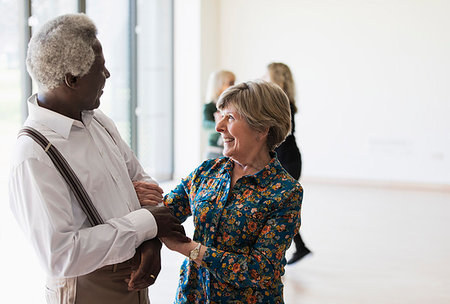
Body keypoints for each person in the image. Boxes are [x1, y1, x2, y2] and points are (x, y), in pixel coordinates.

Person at [9, 13, 188, 304]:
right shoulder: (33, 156)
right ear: (71, 79)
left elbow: (145, 185)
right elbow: (61, 255)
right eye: (100, 69)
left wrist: (151, 242)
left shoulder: (99, 121)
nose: (108, 76)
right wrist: (146, 222)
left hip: (134, 277)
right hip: (86, 289)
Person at [154, 81, 303, 303]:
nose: (219, 127)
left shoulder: (285, 192)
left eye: (230, 118)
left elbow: (259, 271)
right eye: (220, 116)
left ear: (262, 129)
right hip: (192, 296)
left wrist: (189, 249)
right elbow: (165, 213)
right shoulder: (206, 172)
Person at [264, 62, 311, 265]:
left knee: (279, 209)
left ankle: (283, 253)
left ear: (278, 79)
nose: (263, 78)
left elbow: (280, 135)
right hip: (285, 159)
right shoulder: (281, 101)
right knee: (278, 209)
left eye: (266, 75)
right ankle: (298, 248)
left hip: (288, 162)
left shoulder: (283, 103)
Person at [203, 70, 235, 159]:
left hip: (228, 147)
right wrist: (219, 124)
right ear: (219, 85)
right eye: (230, 83)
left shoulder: (231, 106)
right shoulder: (209, 106)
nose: (234, 86)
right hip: (214, 148)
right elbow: (205, 125)